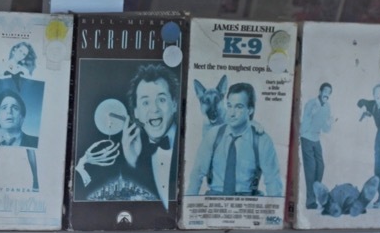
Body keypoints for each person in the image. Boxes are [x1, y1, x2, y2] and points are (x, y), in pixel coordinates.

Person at [73, 64, 180, 205]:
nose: (154, 109)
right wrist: (132, 161)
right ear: (136, 112)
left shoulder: (190, 143)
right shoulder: (137, 154)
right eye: (145, 102)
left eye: (161, 99)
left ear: (174, 104)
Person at [187, 83, 282, 197]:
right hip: (215, 199)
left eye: (239, 107)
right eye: (229, 106)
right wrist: (188, 203)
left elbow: (273, 182)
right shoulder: (212, 135)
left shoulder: (262, 140)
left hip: (248, 201)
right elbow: (197, 174)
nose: (231, 113)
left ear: (250, 110)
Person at [301, 83, 333, 208]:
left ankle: (316, 194)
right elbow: (303, 126)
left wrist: (329, 124)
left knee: (320, 166)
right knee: (311, 169)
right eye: (325, 91)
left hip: (316, 138)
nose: (327, 94)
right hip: (306, 137)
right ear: (320, 92)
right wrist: (311, 115)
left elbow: (325, 129)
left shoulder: (327, 107)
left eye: (329, 92)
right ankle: (310, 201)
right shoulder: (311, 104)